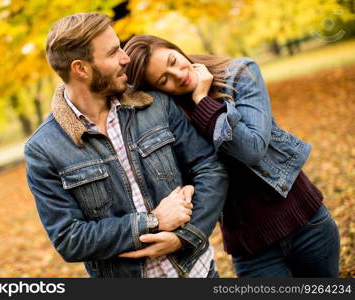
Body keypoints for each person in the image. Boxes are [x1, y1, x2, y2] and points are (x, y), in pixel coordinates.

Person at [24, 13, 228, 278]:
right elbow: (68, 238)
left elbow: (209, 168)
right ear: (81, 69)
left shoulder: (155, 105)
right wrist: (152, 222)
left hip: (198, 273)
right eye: (112, 53)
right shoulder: (44, 149)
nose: (126, 58)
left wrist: (184, 237)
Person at [123, 35, 340, 277]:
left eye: (173, 61)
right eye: (165, 79)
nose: (178, 74)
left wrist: (202, 101)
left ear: (176, 49)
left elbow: (252, 149)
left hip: (307, 224)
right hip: (252, 250)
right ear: (156, 89)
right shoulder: (169, 119)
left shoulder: (239, 74)